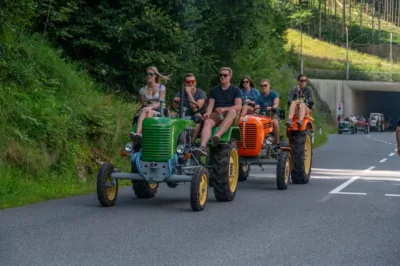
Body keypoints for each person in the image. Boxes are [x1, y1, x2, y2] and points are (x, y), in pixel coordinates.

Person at [192, 67, 242, 156]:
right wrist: (207, 113)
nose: (222, 77)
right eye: (221, 75)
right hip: (218, 114)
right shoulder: (214, 90)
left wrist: (224, 109)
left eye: (225, 75)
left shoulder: (235, 90)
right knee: (207, 122)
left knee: (233, 111)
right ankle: (202, 147)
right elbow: (210, 106)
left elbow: (239, 106)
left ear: (230, 76)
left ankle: (217, 136)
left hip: (231, 114)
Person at [130, 66, 170, 140]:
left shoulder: (161, 87)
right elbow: (144, 103)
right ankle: (138, 134)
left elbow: (160, 102)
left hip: (159, 109)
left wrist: (151, 107)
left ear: (155, 75)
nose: (148, 76)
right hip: (147, 109)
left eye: (151, 74)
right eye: (147, 74)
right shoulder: (142, 90)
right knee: (145, 110)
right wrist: (147, 107)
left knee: (149, 112)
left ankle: (143, 133)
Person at [171, 73, 207, 141]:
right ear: (185, 83)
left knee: (198, 115)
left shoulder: (201, 93)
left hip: (196, 116)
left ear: (195, 82)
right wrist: (177, 102)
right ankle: (172, 139)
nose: (190, 83)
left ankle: (192, 141)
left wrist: (188, 92)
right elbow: (173, 107)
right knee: (171, 114)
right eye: (188, 82)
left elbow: (195, 109)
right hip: (183, 114)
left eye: (192, 81)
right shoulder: (180, 92)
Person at [254, 79, 281, 150]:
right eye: (262, 86)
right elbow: (257, 107)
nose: (263, 87)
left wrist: (273, 107)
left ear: (269, 86)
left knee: (275, 122)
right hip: (262, 116)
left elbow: (276, 103)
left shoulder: (274, 94)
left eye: (265, 85)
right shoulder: (259, 97)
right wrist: (256, 111)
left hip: (272, 115)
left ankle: (277, 143)